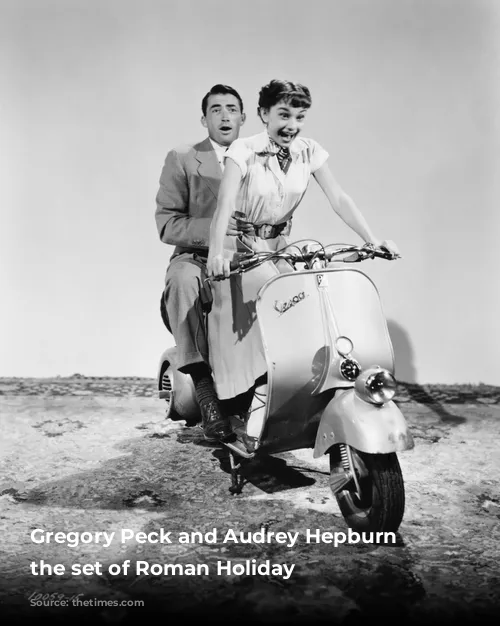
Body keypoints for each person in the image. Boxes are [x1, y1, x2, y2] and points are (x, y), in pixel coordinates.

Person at [206, 78, 400, 406]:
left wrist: (371, 240)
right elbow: (224, 204)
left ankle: (306, 388)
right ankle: (257, 395)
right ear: (263, 114)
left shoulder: (308, 151)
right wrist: (215, 254)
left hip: (280, 245)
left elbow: (338, 198)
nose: (292, 125)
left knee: (312, 295)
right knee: (276, 301)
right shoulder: (244, 151)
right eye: (284, 115)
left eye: (300, 117)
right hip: (240, 249)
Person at [155, 83, 249, 443]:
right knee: (181, 281)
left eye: (231, 108)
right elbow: (167, 223)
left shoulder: (260, 157)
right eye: (215, 109)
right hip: (197, 256)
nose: (224, 115)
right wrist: (216, 229)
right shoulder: (182, 157)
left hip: (249, 256)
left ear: (243, 117)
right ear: (204, 118)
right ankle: (205, 391)